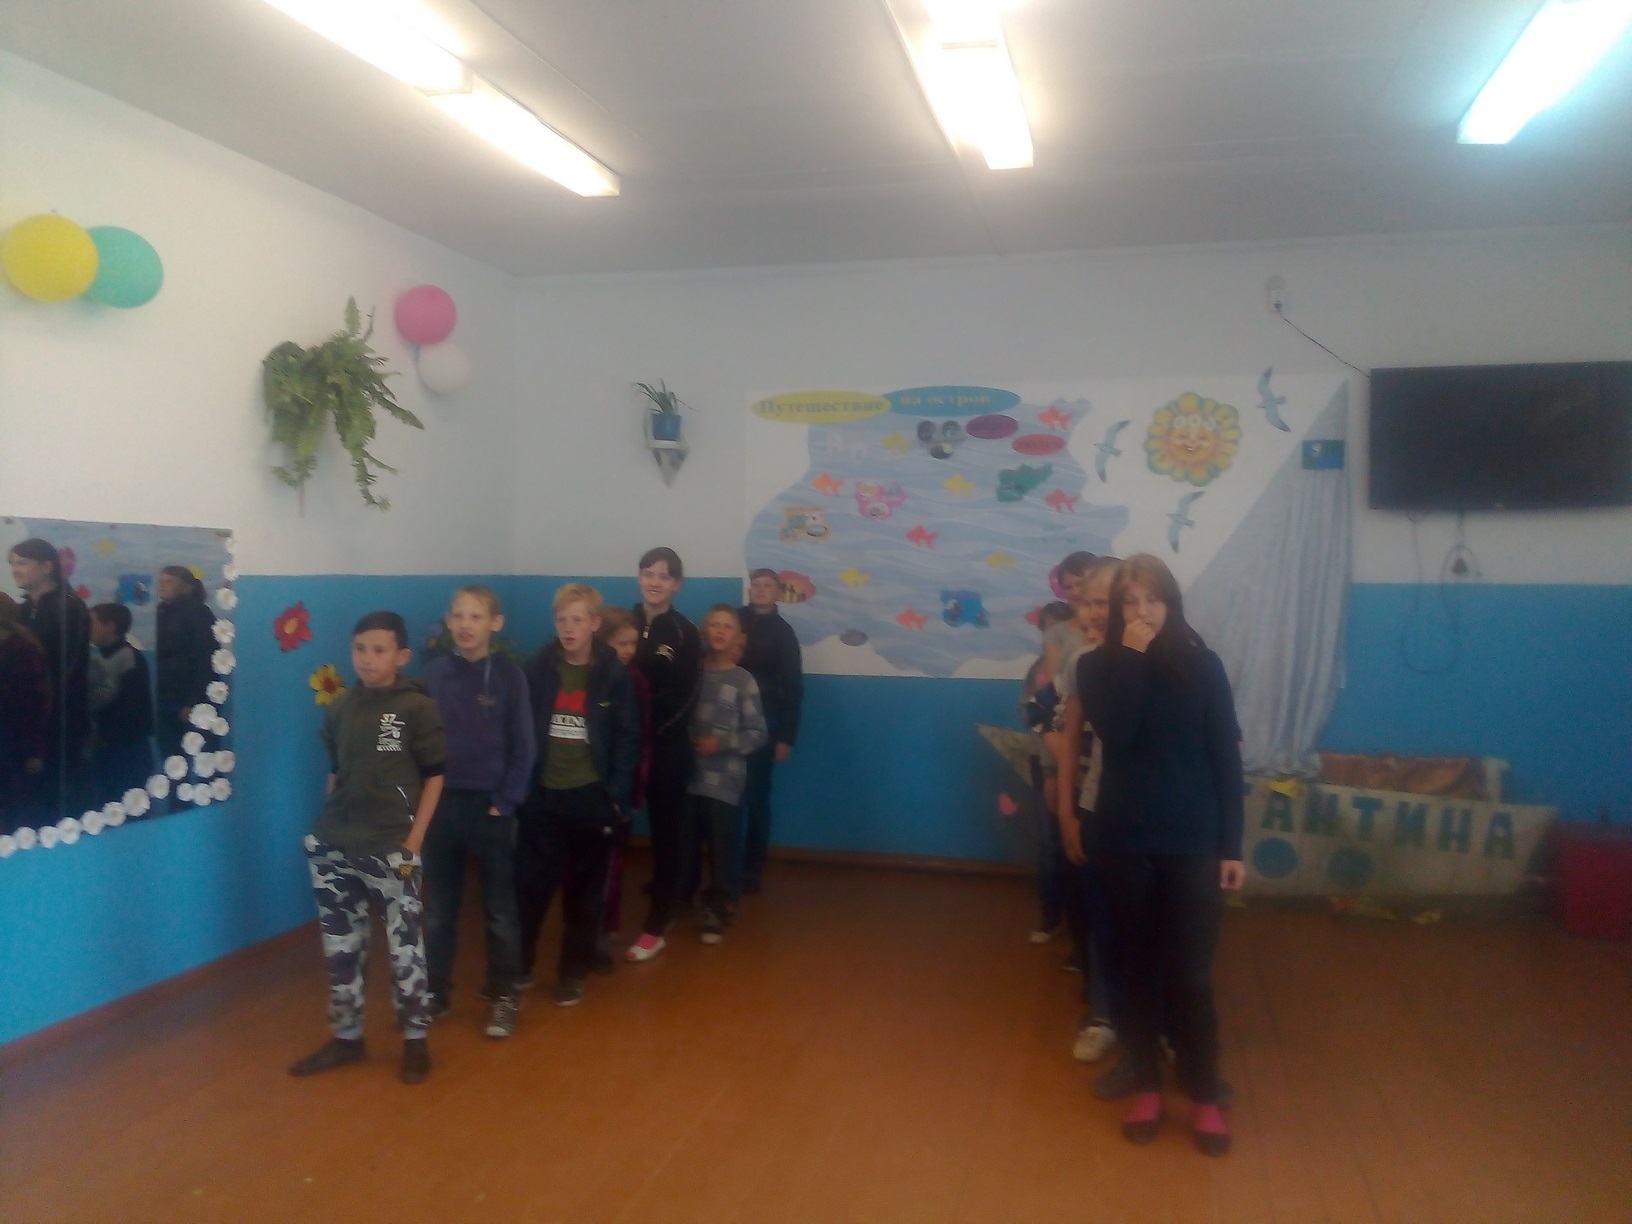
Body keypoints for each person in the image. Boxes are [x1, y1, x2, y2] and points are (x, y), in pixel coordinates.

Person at [1077, 554, 1245, 1157]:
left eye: (1151, 599)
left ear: (1170, 603)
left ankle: (1202, 1094)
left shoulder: (1203, 665)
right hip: (1125, 839)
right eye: (1129, 601)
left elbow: (1225, 756)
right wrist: (1130, 656)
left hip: (1193, 840)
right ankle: (1147, 1087)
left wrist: (1232, 845)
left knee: (1190, 975)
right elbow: (1118, 733)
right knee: (1137, 969)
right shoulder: (1097, 668)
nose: (1141, 611)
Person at [288, 611, 446, 1086]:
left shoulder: (417, 708)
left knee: (405, 947)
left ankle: (415, 1040)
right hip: (336, 846)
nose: (368, 659)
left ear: (401, 656)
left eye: (379, 650)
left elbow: (435, 777)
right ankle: (347, 1037)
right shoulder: (339, 707)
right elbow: (337, 771)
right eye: (360, 649)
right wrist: (327, 827)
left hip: (391, 848)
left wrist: (414, 841)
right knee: (341, 946)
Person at [516, 584, 640, 1006]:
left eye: (577, 620)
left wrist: (616, 796)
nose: (569, 628)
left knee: (585, 894)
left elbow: (627, 738)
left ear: (594, 624)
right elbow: (520, 729)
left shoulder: (612, 675)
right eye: (562, 620)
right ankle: (521, 965)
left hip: (591, 798)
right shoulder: (538, 667)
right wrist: (524, 788)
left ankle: (572, 972)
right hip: (543, 797)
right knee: (531, 888)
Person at [420, 585, 535, 1039]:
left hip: (491, 807)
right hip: (440, 805)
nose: (466, 625)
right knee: (438, 908)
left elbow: (524, 747)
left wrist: (505, 801)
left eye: (476, 616)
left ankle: (503, 995)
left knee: (500, 909)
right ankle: (435, 992)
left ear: (494, 623)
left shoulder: (509, 676)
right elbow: (419, 740)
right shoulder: (433, 674)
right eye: (459, 616)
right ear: (449, 622)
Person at [1049, 560, 1123, 1066]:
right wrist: (1066, 812)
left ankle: (1158, 1021)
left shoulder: (1168, 659)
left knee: (1149, 922)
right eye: (1090, 602)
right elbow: (1069, 736)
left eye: (1107, 603)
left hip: (1151, 812)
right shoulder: (1082, 661)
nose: (1096, 612)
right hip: (1096, 803)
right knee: (1101, 915)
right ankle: (1104, 1015)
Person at [626, 548, 701, 963]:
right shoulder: (620, 623)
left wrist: (650, 731)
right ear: (639, 577)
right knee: (609, 831)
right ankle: (602, 918)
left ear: (677, 584)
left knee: (666, 836)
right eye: (648, 573)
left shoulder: (685, 632)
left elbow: (686, 696)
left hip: (665, 748)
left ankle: (656, 924)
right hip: (622, 749)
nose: (655, 582)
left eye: (664, 576)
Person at [686, 606, 767, 944]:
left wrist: (720, 743)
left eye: (727, 626)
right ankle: (681, 901)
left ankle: (717, 908)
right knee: (686, 845)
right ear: (705, 631)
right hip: (688, 778)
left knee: (721, 848)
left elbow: (756, 733)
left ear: (737, 636)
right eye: (714, 624)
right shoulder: (690, 673)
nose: (720, 631)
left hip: (725, 781)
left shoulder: (743, 680)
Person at [8, 539, 90, 814]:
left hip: (59, 718)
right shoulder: (21, 610)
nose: (15, 570)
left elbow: (67, 667)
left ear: (46, 566)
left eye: (22, 563)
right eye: (12, 564)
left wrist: (41, 703)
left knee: (53, 797)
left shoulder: (69, 607)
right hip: (24, 718)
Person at [735, 568, 803, 896]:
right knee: (722, 796)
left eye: (768, 585)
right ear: (750, 589)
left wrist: (786, 736)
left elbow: (793, 688)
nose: (761, 590)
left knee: (757, 797)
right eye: (756, 584)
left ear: (777, 592)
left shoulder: (784, 633)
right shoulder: (733, 621)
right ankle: (723, 860)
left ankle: (752, 867)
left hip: (765, 723)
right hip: (725, 718)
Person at [595, 608, 650, 969]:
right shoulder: (590, 676)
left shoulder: (637, 682)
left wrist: (632, 789)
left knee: (612, 863)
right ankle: (585, 924)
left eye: (633, 643)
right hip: (587, 784)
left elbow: (640, 741)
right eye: (621, 643)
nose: (628, 650)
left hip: (621, 786)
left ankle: (606, 927)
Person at [1020, 600, 1075, 944]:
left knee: (1074, 842)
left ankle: (1077, 919)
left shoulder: (1080, 664)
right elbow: (1029, 710)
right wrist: (1050, 765)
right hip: (1044, 760)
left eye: (1059, 627)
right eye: (1047, 629)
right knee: (1050, 843)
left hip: (1072, 764)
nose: (1052, 635)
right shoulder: (1038, 669)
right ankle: (1051, 916)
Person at [87, 603, 156, 804]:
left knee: (127, 803)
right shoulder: (102, 656)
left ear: (110, 626)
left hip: (126, 748)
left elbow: (132, 708)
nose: (88, 628)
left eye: (92, 623)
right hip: (111, 745)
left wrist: (105, 734)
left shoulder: (128, 658)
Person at [155, 565, 216, 765]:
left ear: (185, 587)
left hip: (189, 696)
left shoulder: (198, 613)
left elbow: (206, 659)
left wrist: (193, 701)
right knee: (171, 760)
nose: (162, 586)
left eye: (169, 582)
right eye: (161, 581)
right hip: (167, 697)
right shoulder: (162, 611)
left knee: (202, 759)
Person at [0, 593, 50, 833]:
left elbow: (36, 703)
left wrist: (34, 750)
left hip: (16, 744)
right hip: (12, 741)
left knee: (18, 815)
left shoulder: (23, 650)